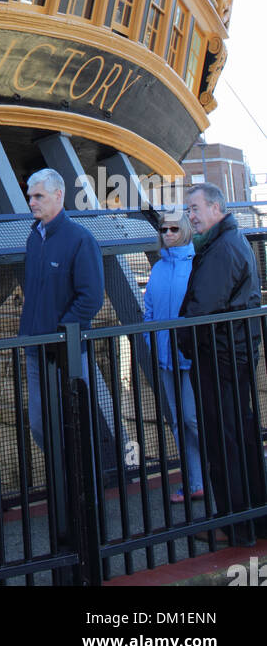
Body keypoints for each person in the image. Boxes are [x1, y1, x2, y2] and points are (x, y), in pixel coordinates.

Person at [179, 183, 266, 546]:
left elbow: (202, 308)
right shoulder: (231, 242)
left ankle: (235, 523)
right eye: (188, 210)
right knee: (238, 436)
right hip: (232, 356)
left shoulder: (222, 248)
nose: (191, 217)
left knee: (222, 440)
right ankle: (251, 517)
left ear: (216, 208)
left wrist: (183, 339)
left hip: (220, 359)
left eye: (195, 209)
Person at [19, 169, 105, 454]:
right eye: (30, 196)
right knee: (40, 424)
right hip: (35, 350)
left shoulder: (81, 240)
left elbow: (91, 298)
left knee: (75, 427)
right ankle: (65, 487)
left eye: (39, 196)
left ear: (58, 195)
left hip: (66, 353)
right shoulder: (34, 239)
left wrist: (60, 335)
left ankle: (83, 493)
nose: (32, 202)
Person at [143, 212, 204, 502]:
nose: (167, 232)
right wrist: (153, 343)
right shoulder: (158, 269)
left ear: (186, 230)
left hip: (192, 358)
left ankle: (214, 475)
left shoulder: (197, 264)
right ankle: (194, 483)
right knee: (179, 421)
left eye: (173, 228)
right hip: (166, 356)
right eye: (163, 228)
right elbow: (150, 312)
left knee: (193, 418)